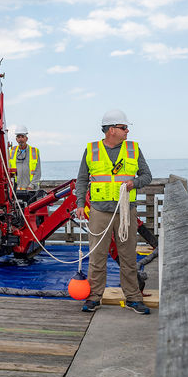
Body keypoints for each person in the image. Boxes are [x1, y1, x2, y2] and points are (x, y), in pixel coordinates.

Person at [74, 109, 152, 315]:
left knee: (128, 257)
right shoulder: (91, 149)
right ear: (111, 130)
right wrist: (80, 203)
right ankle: (94, 297)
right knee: (97, 257)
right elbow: (82, 179)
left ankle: (133, 298)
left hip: (126, 211)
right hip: (99, 212)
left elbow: (147, 176)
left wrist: (133, 183)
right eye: (123, 127)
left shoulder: (134, 148)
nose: (127, 131)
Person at [7, 124, 42, 191]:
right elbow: (8, 170)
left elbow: (38, 172)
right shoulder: (11, 151)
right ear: (16, 139)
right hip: (16, 189)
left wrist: (31, 186)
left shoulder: (34, 151)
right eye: (18, 137)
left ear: (26, 138)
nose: (21, 139)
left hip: (31, 189)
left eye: (22, 137)